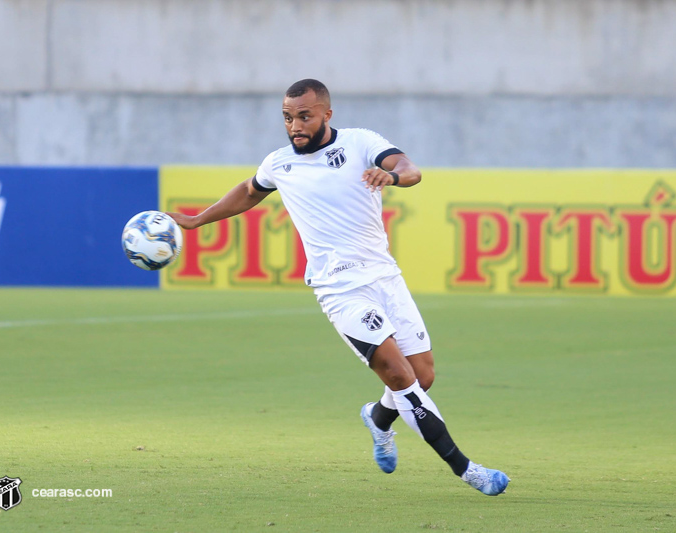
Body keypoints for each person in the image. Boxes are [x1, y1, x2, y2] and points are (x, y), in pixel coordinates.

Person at [168, 79, 510, 496]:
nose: (295, 125)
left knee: (423, 374)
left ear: (327, 114)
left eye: (305, 116)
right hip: (339, 288)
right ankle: (467, 470)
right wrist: (195, 220)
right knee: (402, 377)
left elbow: (411, 170)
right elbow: (247, 192)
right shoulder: (279, 164)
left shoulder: (361, 142)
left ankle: (379, 418)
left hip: (384, 275)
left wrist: (391, 176)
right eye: (288, 117)